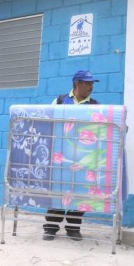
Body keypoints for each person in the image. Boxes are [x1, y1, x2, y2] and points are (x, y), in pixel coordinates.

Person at [43, 69, 99, 241]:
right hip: (60, 155)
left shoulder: (95, 105)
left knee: (79, 191)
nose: (91, 87)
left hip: (82, 156)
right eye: (87, 83)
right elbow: (48, 120)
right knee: (59, 189)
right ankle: (51, 227)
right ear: (77, 84)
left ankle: (73, 228)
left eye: (91, 83)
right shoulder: (60, 101)